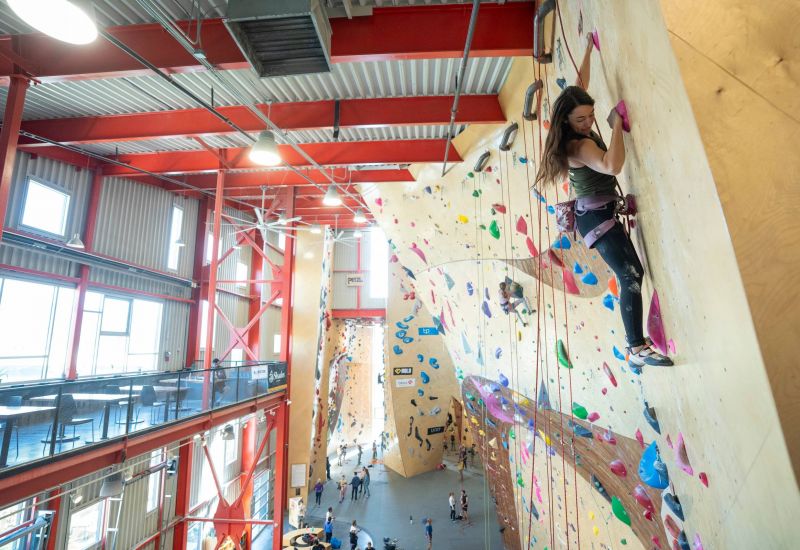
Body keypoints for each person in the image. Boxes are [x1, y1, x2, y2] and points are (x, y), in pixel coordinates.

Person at [534, 34, 673, 370]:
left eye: (591, 116)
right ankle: (635, 349)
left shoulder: (574, 114)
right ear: (566, 120)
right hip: (596, 218)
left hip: (598, 212)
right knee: (629, 275)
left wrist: (587, 49)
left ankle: (635, 346)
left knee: (633, 273)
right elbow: (612, 165)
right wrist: (615, 126)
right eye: (581, 120)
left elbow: (579, 85)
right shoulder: (577, 146)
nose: (588, 122)